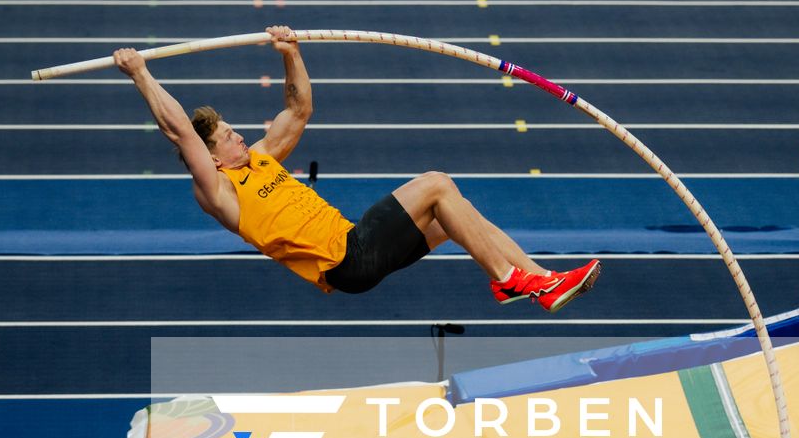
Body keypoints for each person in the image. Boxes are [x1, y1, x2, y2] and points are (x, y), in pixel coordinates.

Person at [113, 29, 600, 310]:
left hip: (357, 253)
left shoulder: (261, 158)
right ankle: (509, 278)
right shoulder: (218, 189)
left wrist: (292, 54)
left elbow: (299, 109)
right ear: (212, 157)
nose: (239, 136)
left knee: (456, 215)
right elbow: (178, 129)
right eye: (226, 137)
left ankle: (540, 279)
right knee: (436, 183)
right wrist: (140, 74)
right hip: (345, 259)